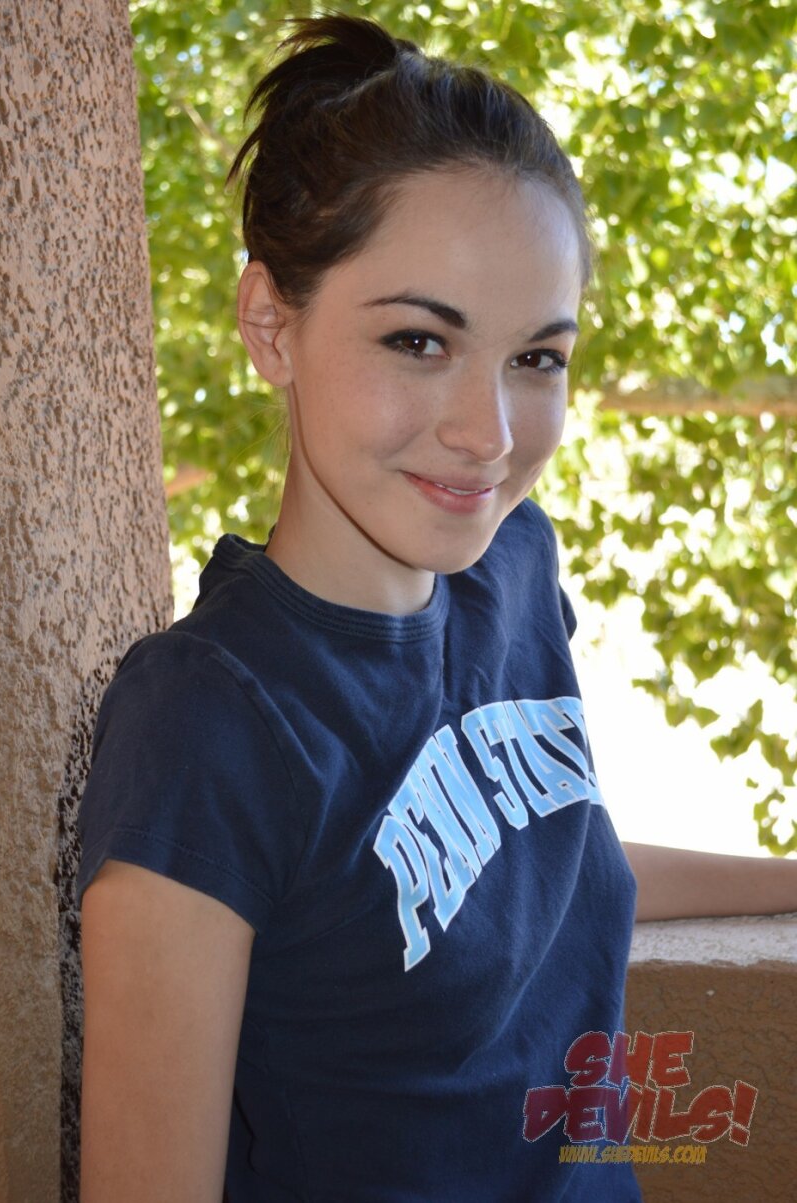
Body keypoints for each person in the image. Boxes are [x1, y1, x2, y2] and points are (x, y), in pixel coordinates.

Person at [77, 11, 797, 1202]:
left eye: (536, 357)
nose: (489, 434)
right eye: (418, 340)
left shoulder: (512, 571)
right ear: (270, 326)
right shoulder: (210, 723)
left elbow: (544, 859)